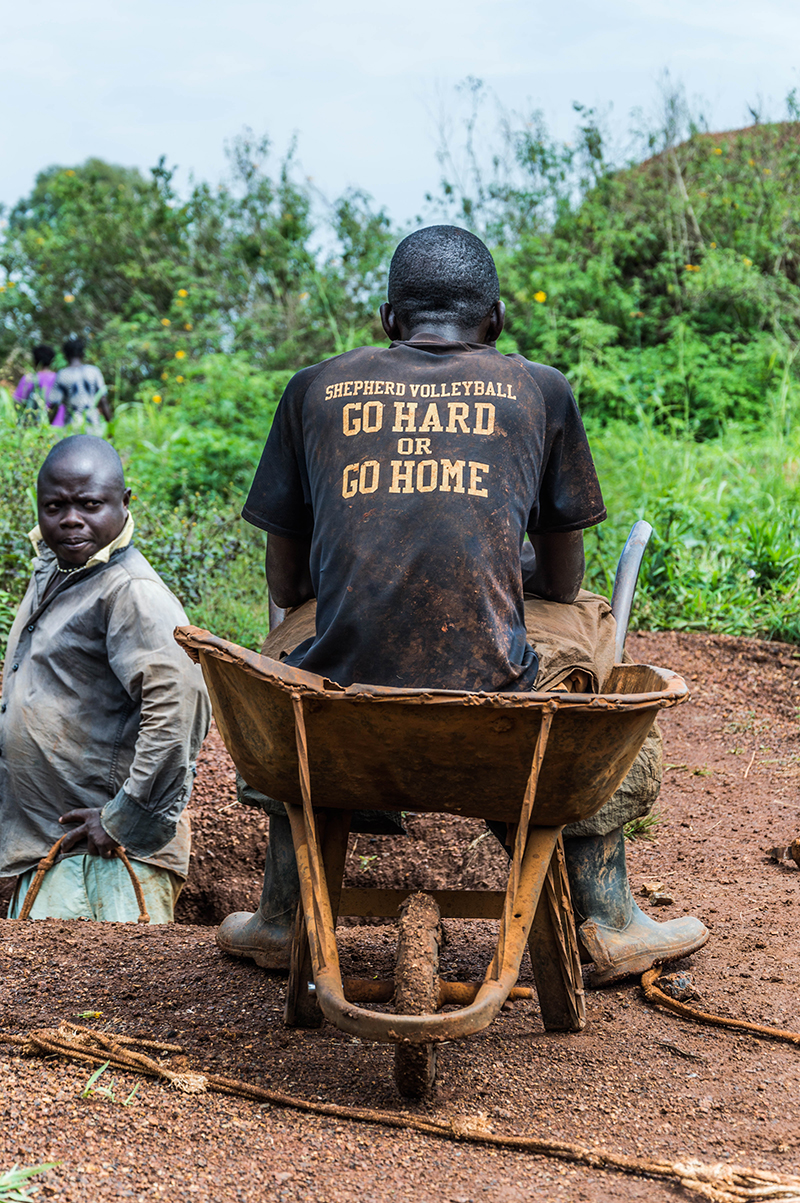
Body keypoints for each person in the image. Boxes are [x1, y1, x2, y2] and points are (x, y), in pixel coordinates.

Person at [217, 225, 707, 984]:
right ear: (497, 320)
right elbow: (557, 578)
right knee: (595, 628)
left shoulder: (314, 387)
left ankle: (284, 916)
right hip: (500, 711)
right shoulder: (539, 388)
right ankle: (608, 918)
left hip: (333, 717)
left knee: (280, 642)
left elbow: (288, 587)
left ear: (389, 319)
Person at [0, 435, 211, 922]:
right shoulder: (58, 571)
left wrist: (123, 820)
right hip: (57, 849)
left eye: (90, 504)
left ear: (123, 503)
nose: (72, 519)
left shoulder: (130, 591)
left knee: (101, 994)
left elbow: (180, 704)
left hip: (107, 861)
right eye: (55, 506)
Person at [50, 337, 111, 428]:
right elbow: (103, 400)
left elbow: (54, 405)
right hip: (93, 425)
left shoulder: (62, 375)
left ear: (66, 355)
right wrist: (110, 424)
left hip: (72, 426)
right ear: (82, 354)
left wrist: (46, 426)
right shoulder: (94, 371)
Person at [13, 344, 57, 425]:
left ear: (35, 360)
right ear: (52, 361)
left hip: (29, 424)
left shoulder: (29, 378)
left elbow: (17, 401)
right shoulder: (58, 378)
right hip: (53, 426)